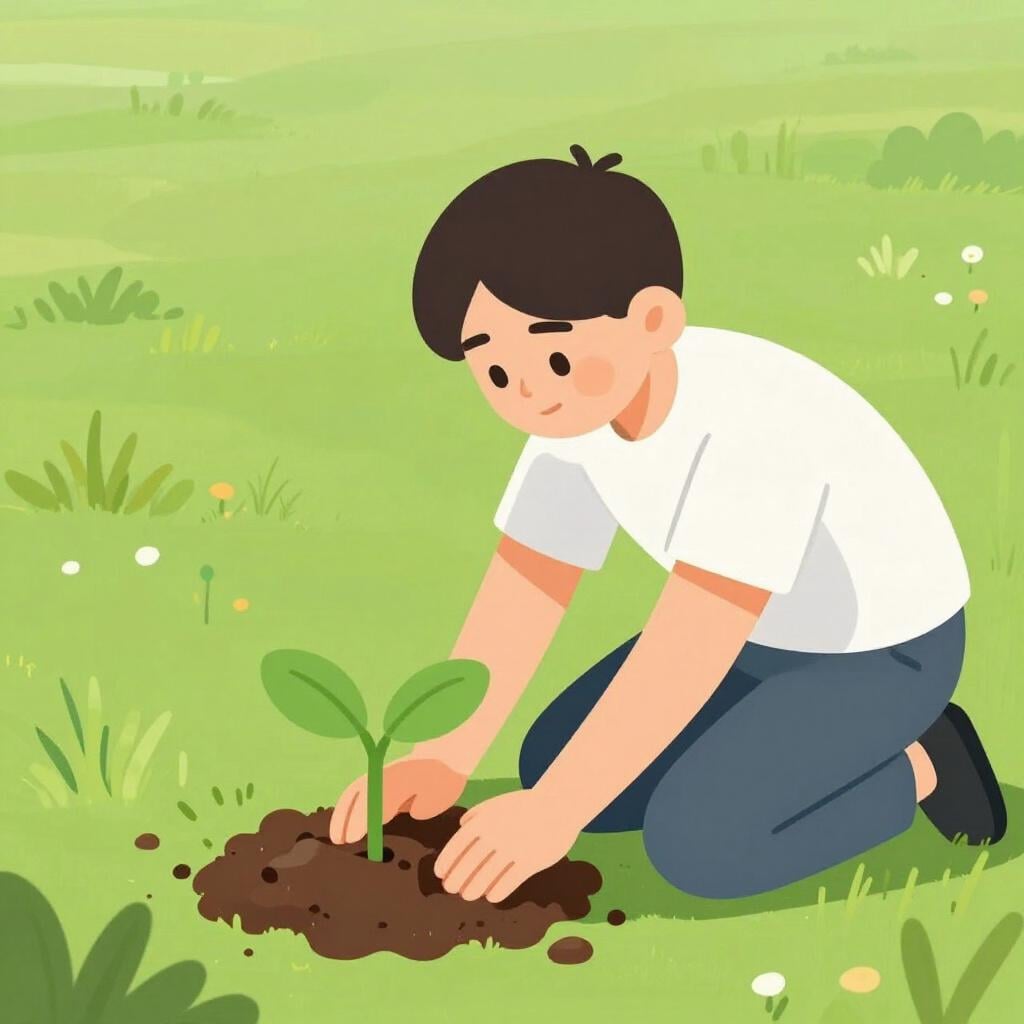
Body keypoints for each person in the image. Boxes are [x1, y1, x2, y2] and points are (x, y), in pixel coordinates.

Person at [330, 144, 1006, 903]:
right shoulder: (573, 415)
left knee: (701, 847)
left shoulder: (749, 427)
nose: (526, 394)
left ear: (652, 318)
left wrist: (554, 815)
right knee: (549, 759)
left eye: (551, 359)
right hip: (760, 644)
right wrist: (445, 756)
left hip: (879, 655)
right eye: (492, 370)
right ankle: (774, 755)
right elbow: (528, 584)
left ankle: (921, 764)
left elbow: (694, 637)